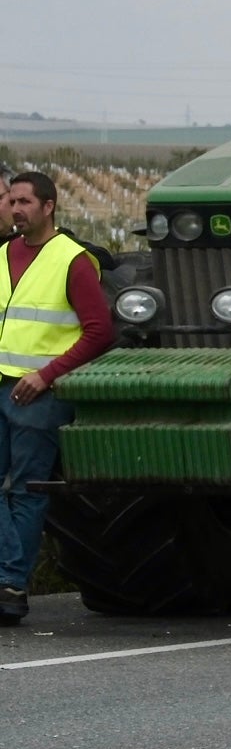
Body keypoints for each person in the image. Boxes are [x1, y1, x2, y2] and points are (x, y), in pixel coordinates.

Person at [0, 171, 115, 628]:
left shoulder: (73, 260)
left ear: (48, 206)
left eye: (25, 201)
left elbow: (100, 331)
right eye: (12, 201)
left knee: (27, 490)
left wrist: (47, 375)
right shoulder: (4, 254)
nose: (15, 209)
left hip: (38, 393)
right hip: (1, 382)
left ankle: (10, 588)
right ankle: (9, 578)